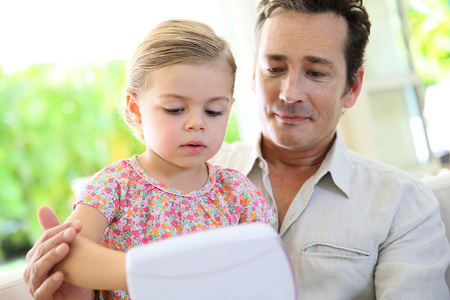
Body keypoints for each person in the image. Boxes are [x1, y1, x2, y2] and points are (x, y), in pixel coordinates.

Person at [24, 0, 450, 299]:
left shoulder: (402, 206)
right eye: (274, 68)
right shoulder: (122, 181)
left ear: (352, 87)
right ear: (251, 77)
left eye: (316, 73)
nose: (290, 92)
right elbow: (73, 255)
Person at [23, 18, 276, 299]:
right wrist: (161, 272)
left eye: (214, 111)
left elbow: (266, 271)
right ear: (136, 110)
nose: (197, 123)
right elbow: (70, 254)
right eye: (175, 109)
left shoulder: (238, 193)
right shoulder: (115, 185)